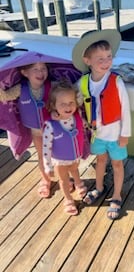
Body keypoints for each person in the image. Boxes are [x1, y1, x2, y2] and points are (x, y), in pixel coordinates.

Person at [72, 29, 131, 220]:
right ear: (87, 60)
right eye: (100, 59)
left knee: (117, 164)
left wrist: (125, 134)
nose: (106, 62)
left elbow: (125, 110)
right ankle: (99, 187)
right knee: (100, 161)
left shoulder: (116, 81)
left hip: (115, 135)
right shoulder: (82, 82)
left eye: (109, 57)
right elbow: (75, 101)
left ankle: (117, 195)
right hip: (97, 134)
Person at [0, 62, 75, 198]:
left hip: (55, 131)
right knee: (42, 156)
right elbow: (5, 96)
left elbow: (68, 91)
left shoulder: (52, 86)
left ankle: (66, 177)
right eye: (36, 69)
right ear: (24, 72)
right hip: (37, 133)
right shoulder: (19, 89)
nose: (41, 73)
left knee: (60, 155)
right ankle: (45, 180)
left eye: (43, 69)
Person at [42, 80, 87, 216]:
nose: (68, 106)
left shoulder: (77, 117)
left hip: (74, 156)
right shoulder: (51, 125)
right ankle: (68, 199)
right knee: (64, 180)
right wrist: (48, 166)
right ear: (53, 105)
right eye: (62, 104)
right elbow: (46, 147)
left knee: (75, 170)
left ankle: (78, 183)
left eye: (71, 102)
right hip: (59, 161)